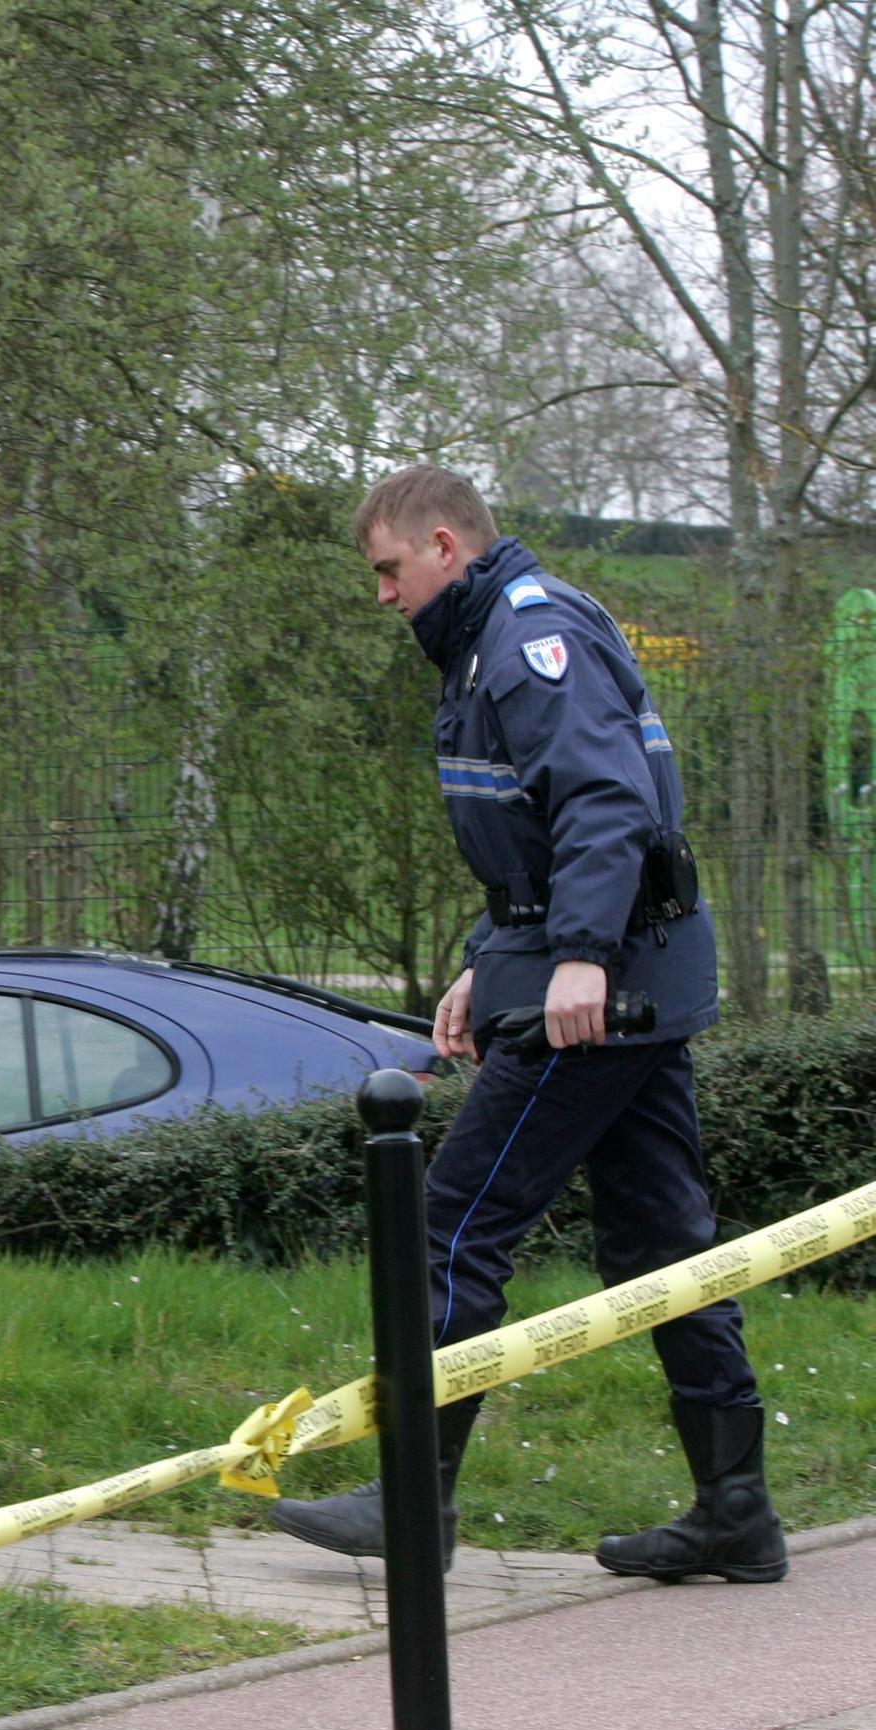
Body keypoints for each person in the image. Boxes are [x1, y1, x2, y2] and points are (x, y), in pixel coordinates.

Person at [269, 466, 784, 1583]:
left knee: (447, 1225)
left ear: (443, 545)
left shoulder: (524, 636)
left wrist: (581, 960)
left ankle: (414, 1503)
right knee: (665, 1249)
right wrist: (482, 968)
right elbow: (532, 845)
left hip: (606, 990)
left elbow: (605, 805)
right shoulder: (490, 641)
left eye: (387, 570)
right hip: (614, 977)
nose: (382, 595)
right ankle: (736, 1510)